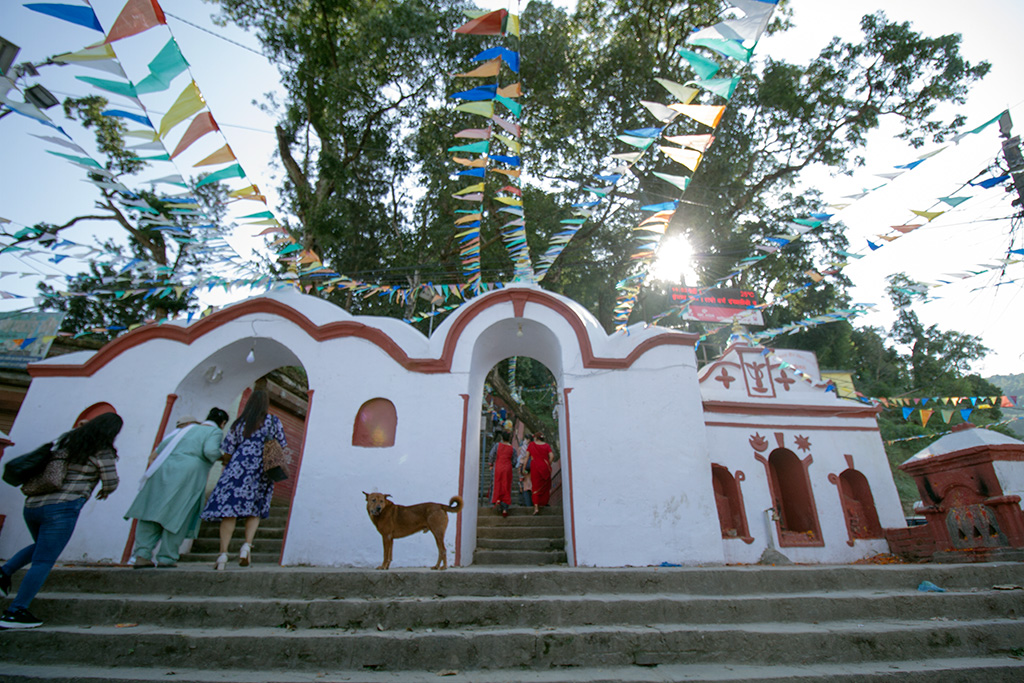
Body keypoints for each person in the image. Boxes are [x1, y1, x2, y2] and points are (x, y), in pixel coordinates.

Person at [0, 412, 123, 629]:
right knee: (44, 560)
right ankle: (16, 610)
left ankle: (4, 571)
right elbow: (111, 480)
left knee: (41, 547)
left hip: (33, 504)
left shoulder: (67, 441)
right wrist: (104, 490)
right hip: (63, 507)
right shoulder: (102, 450)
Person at [124, 408, 230, 568]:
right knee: (179, 513)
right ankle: (167, 557)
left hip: (164, 470)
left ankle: (142, 554)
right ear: (222, 423)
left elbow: (161, 448)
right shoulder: (214, 432)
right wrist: (223, 457)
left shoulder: (187, 429)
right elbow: (210, 451)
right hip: (188, 475)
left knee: (152, 511)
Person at [200, 390, 287, 570]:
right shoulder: (272, 421)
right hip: (260, 469)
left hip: (237, 468)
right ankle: (246, 546)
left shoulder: (239, 423)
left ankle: (223, 554)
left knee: (229, 511)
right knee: (254, 510)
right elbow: (282, 445)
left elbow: (228, 449)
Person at [526, 432, 553, 515]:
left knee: (535, 487)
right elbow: (552, 456)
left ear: (536, 438)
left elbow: (527, 457)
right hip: (545, 467)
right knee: (544, 487)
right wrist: (548, 464)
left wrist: (524, 468)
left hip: (535, 468)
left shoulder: (531, 445)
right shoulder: (547, 446)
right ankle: (543, 504)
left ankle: (536, 507)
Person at [489, 431, 514, 517]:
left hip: (498, 467)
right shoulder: (512, 448)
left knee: (497, 484)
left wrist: (491, 464)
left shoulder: (497, 446)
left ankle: (497, 501)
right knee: (506, 486)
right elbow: (514, 461)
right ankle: (505, 508)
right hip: (507, 468)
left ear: (502, 438)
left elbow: (491, 455)